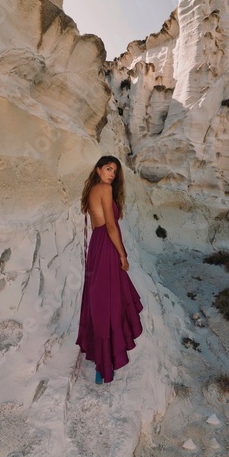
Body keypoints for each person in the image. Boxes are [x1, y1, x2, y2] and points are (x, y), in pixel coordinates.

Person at [76, 156, 143, 384]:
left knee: (102, 300)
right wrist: (122, 254)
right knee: (110, 300)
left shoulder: (92, 189)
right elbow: (111, 226)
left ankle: (101, 360)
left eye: (115, 171)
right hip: (106, 244)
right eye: (108, 169)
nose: (112, 174)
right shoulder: (104, 188)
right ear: (98, 170)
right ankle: (105, 363)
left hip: (97, 244)